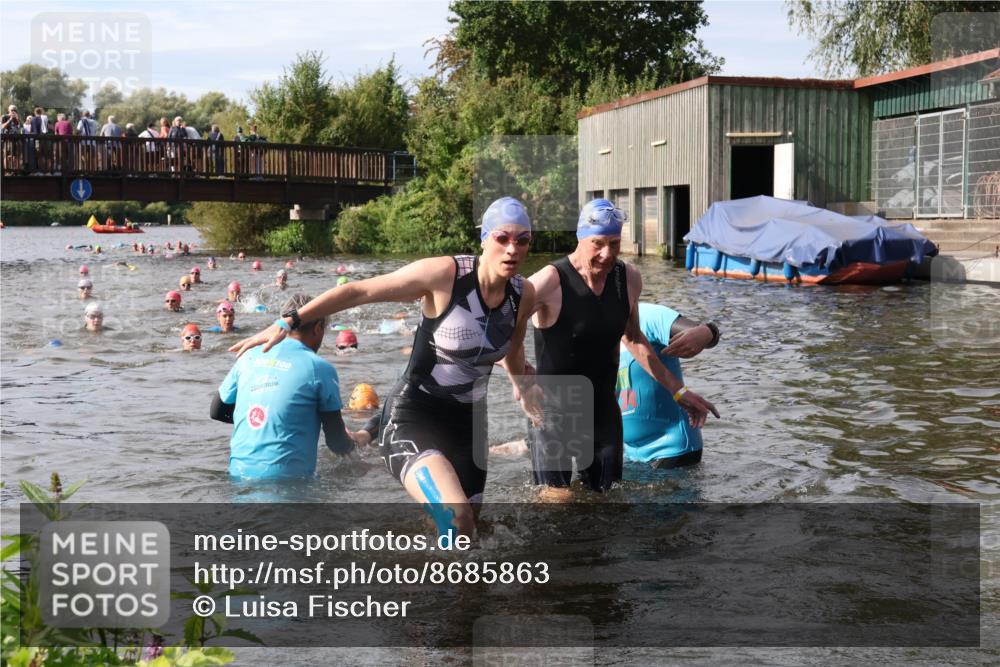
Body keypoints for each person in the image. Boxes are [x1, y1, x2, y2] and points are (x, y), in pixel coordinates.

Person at [229, 196, 539, 537]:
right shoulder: (444, 275)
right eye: (503, 238)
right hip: (414, 416)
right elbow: (360, 291)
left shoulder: (523, 294)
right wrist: (290, 320)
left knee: (471, 531)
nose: (513, 249)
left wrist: (523, 386)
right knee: (457, 519)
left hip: (469, 425)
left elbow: (513, 344)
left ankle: (450, 586)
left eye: (522, 240)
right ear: (485, 240)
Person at [515, 199, 718, 498]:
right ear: (580, 238)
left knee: (606, 501)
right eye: (597, 243)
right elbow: (504, 328)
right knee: (558, 501)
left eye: (614, 243)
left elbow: (634, 339)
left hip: (603, 412)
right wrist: (520, 380)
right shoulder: (549, 281)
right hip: (553, 413)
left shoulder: (628, 279)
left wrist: (678, 391)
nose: (607, 253)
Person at [212, 293, 354, 479]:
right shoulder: (319, 368)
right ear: (319, 327)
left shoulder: (249, 355)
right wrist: (360, 440)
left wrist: (264, 419)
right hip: (289, 485)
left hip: (238, 475)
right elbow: (337, 445)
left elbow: (216, 411)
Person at [618, 303, 720, 469]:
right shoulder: (591, 328)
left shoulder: (650, 316)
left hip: (673, 449)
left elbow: (705, 334)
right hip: (630, 454)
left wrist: (707, 332)